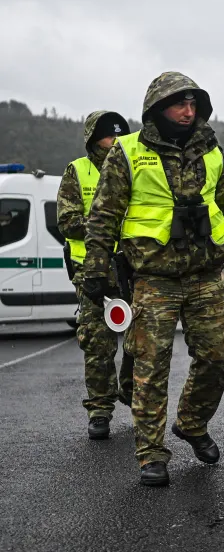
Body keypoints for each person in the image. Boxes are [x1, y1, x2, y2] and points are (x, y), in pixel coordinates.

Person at [83, 71, 224, 487]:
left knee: (216, 356)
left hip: (204, 275)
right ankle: (151, 454)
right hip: (153, 277)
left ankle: (192, 422)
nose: (189, 112)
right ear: (158, 108)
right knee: (150, 367)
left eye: (194, 105)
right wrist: (96, 269)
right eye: (180, 104)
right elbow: (104, 215)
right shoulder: (127, 152)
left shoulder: (212, 151)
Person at [57, 110, 134, 440]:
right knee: (98, 344)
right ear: (93, 139)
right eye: (108, 137)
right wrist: (103, 228)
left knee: (141, 341)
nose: (115, 142)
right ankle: (101, 410)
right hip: (92, 271)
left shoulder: (135, 169)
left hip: (132, 267)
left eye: (120, 136)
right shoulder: (78, 171)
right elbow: (68, 222)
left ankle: (132, 393)